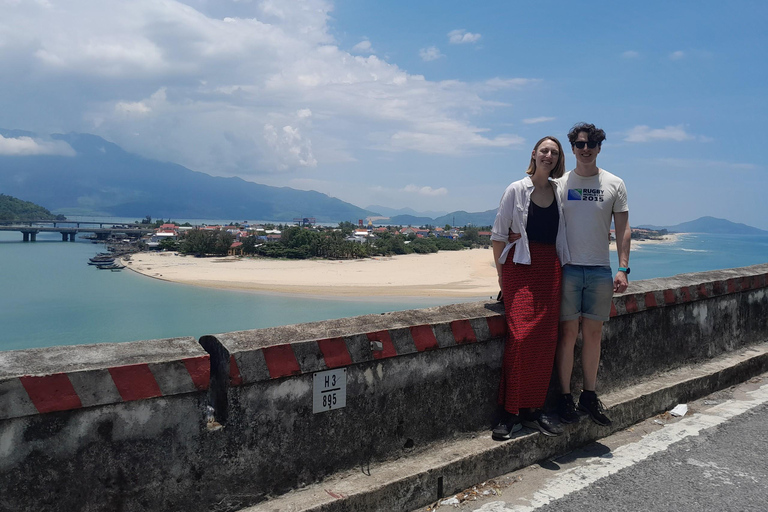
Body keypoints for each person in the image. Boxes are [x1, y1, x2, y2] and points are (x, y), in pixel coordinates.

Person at [490, 136, 571, 440]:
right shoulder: (516, 189)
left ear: (558, 158)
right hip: (520, 270)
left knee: (546, 342)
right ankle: (510, 413)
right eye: (544, 150)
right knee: (521, 340)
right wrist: (502, 279)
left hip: (550, 269)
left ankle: (533, 411)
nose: (548, 155)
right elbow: (498, 236)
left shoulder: (560, 193)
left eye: (554, 151)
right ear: (534, 154)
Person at [554, 122, 631, 427]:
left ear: (599, 148)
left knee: (594, 336)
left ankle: (589, 394)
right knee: (568, 336)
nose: (585, 150)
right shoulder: (560, 183)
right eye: (580, 145)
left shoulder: (614, 183)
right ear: (572, 148)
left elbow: (623, 229)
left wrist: (623, 267)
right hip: (568, 268)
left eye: (591, 144)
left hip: (600, 269)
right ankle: (563, 397)